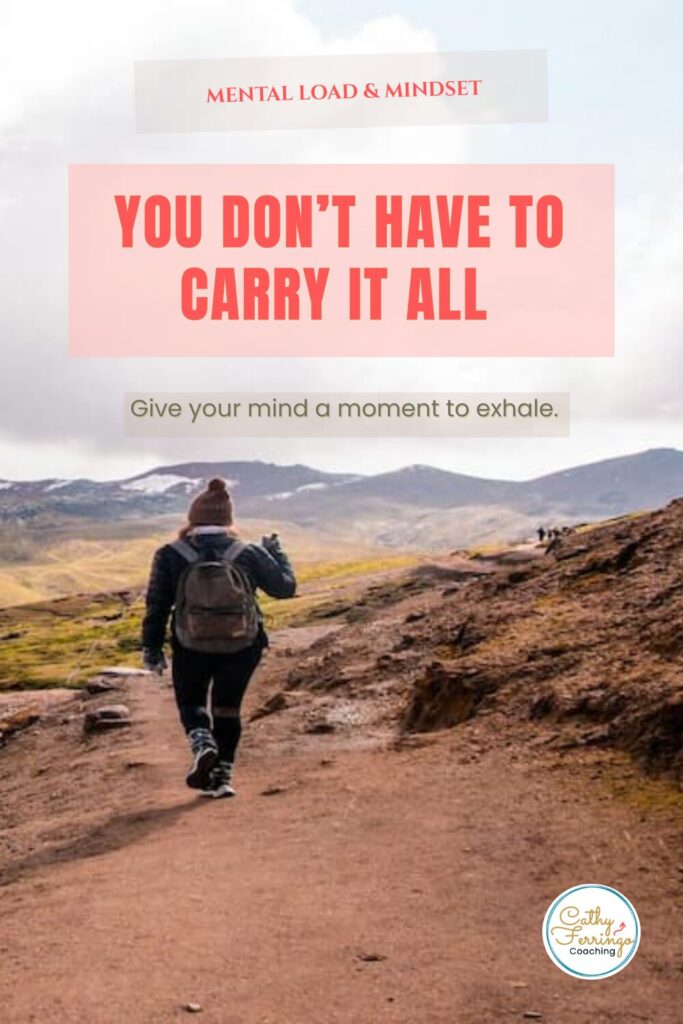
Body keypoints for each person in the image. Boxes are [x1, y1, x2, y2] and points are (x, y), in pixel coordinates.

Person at [142, 477, 296, 798]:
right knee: (228, 708)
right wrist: (276, 554)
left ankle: (202, 742)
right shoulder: (249, 552)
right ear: (228, 518)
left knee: (192, 702)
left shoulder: (170, 554)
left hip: (191, 643)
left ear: (193, 517)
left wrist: (152, 649)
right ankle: (221, 777)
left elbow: (157, 605)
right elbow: (285, 588)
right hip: (243, 644)